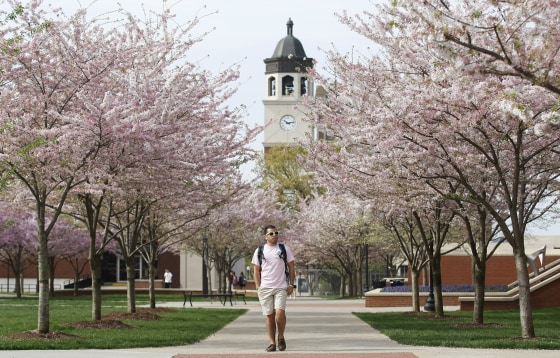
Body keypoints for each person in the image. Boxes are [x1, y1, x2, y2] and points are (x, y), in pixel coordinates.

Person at [252, 225, 295, 352]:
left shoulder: (284, 249)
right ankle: (272, 343)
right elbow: (256, 270)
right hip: (265, 288)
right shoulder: (259, 251)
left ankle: (280, 337)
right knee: (270, 316)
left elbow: (291, 267)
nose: (274, 235)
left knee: (280, 313)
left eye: (276, 233)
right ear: (265, 236)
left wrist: (291, 284)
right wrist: (258, 286)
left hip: (281, 287)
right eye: (271, 233)